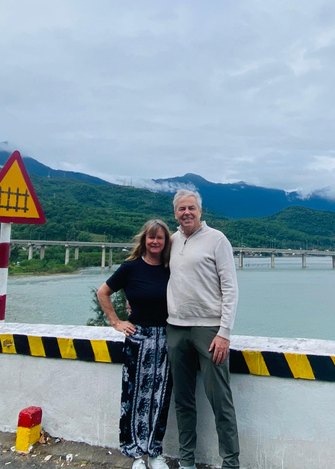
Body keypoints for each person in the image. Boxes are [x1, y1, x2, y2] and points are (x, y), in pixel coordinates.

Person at [166, 189, 240, 469]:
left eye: (191, 208)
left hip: (209, 331)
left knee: (220, 401)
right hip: (176, 329)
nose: (186, 213)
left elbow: (231, 288)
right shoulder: (171, 241)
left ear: (200, 211)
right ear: (175, 213)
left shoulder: (217, 240)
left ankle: (231, 463)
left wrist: (225, 332)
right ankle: (186, 461)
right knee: (183, 400)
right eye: (181, 209)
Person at [96, 219, 173, 469]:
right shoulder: (130, 268)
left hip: (165, 340)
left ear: (165, 241)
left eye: (160, 238)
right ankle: (136, 455)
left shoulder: (171, 268)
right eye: (151, 237)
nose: (155, 242)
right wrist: (116, 322)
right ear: (144, 240)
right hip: (138, 341)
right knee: (135, 398)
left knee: (160, 399)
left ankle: (155, 452)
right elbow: (103, 292)